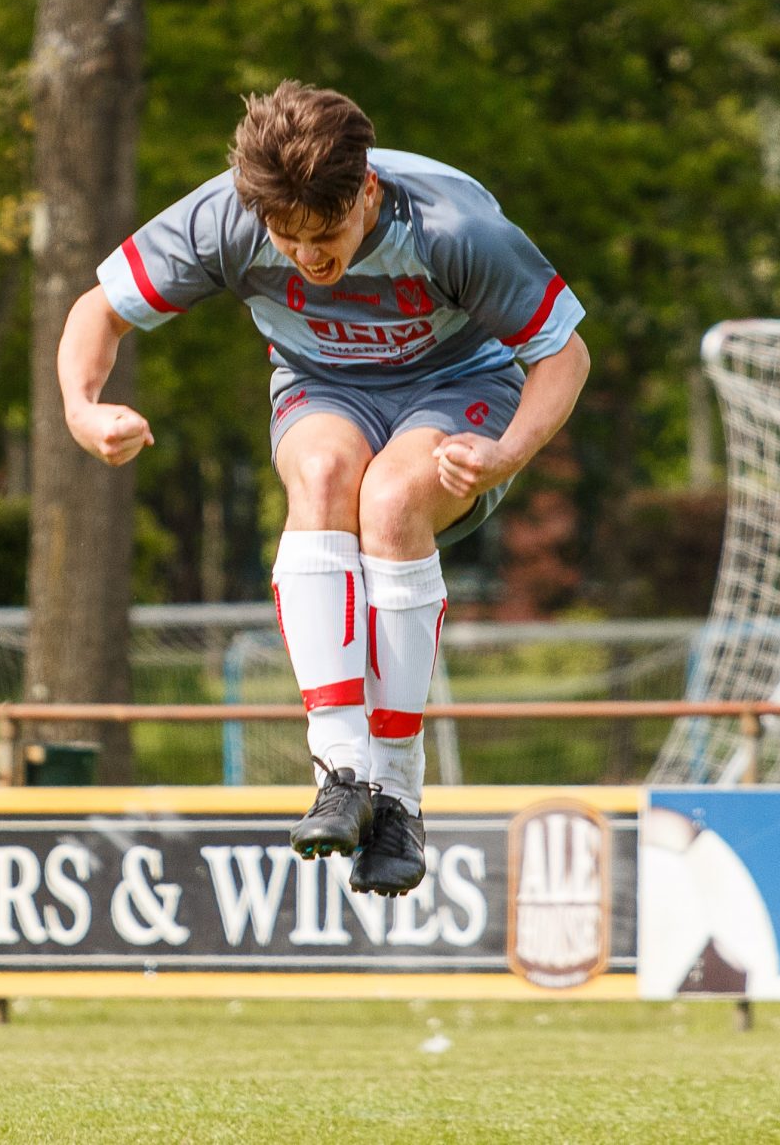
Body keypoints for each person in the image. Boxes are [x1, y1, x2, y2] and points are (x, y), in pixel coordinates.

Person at [57, 82, 589, 896]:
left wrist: (507, 454)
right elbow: (99, 310)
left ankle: (400, 798)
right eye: (287, 235)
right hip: (323, 387)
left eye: (328, 231)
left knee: (391, 502)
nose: (309, 254)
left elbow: (566, 354)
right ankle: (342, 772)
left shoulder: (455, 228)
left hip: (457, 387)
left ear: (367, 189)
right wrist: (83, 409)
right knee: (324, 475)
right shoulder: (226, 217)